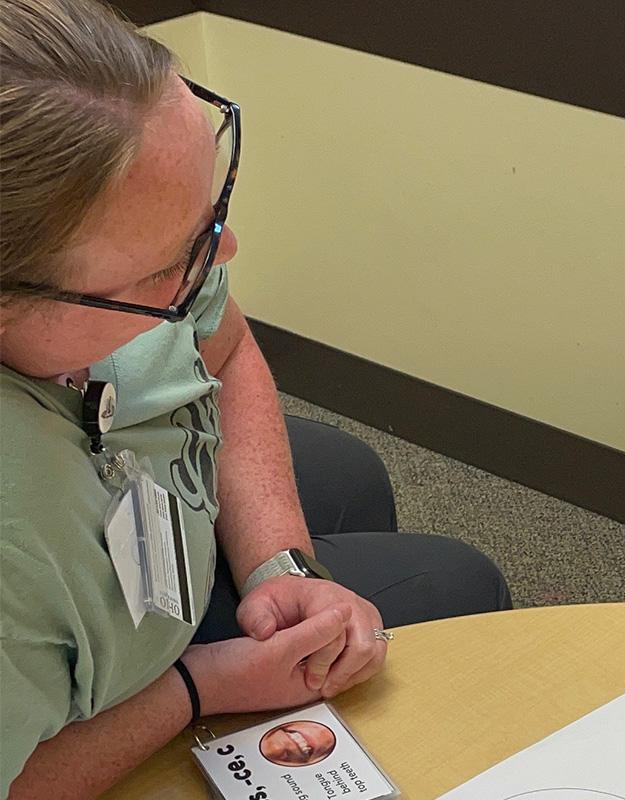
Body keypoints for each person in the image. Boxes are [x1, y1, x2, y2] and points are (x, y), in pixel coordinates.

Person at [0, 1, 510, 797]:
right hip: (84, 715)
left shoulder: (107, 244)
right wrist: (199, 689)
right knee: (457, 583)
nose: (224, 255)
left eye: (211, 214)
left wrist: (281, 566)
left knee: (350, 471)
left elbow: (227, 348)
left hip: (153, 544)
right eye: (165, 269)